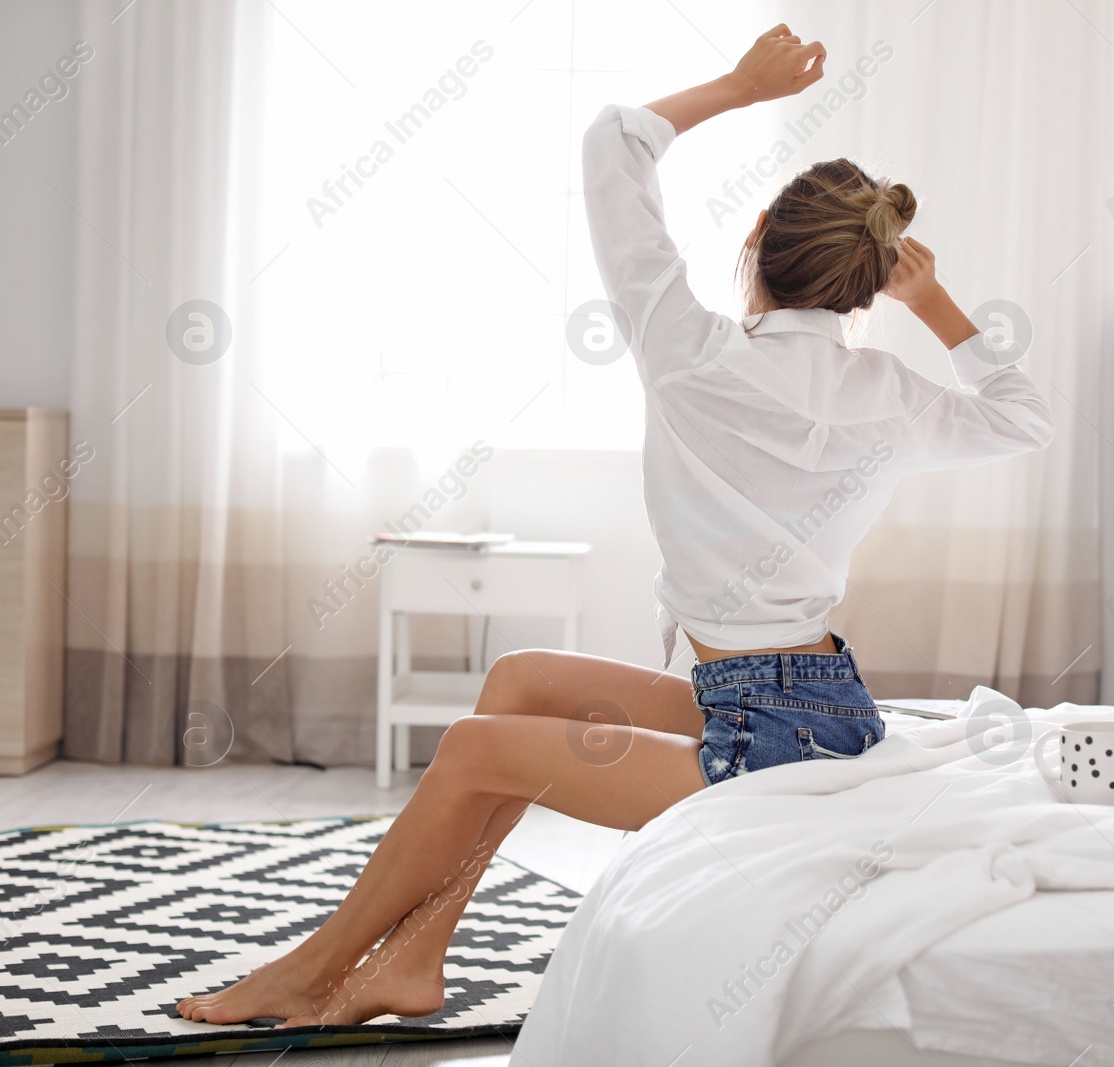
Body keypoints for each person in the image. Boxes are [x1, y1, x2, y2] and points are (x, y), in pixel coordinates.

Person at [177, 23, 1052, 1027]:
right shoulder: (888, 390)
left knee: (470, 747)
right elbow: (1024, 418)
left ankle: (311, 968)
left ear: (757, 231)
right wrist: (931, 298)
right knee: (520, 683)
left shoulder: (686, 345)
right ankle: (414, 954)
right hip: (803, 700)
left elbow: (613, 143)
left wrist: (738, 84)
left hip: (773, 734)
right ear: (870, 275)